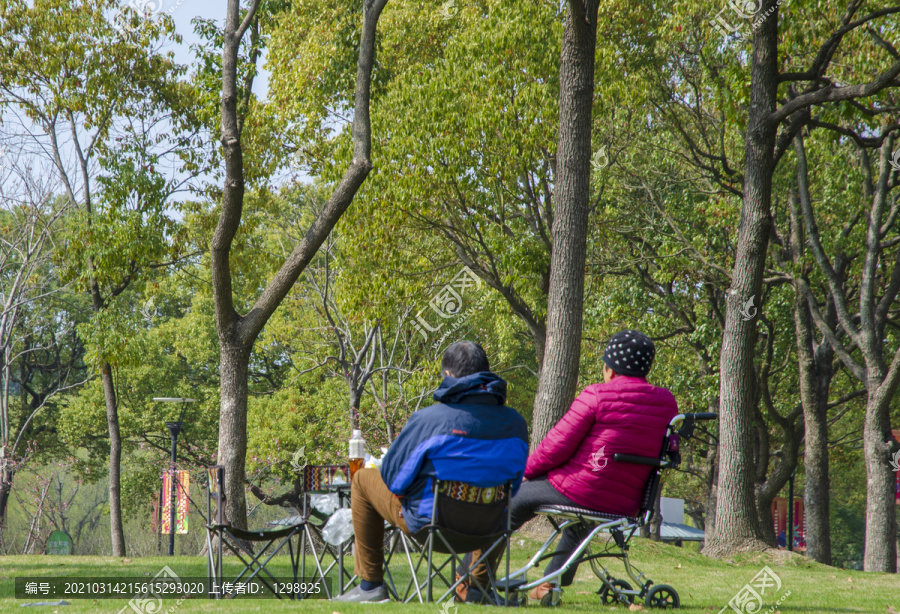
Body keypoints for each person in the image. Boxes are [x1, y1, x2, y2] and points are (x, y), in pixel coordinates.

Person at [462, 329, 678, 602]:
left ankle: (470, 583)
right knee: (579, 523)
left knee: (507, 501)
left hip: (582, 489)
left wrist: (524, 474)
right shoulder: (667, 403)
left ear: (609, 369)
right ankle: (549, 585)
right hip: (627, 502)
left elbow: (555, 446)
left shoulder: (596, 396)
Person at [333, 340, 529, 603]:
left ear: (448, 375)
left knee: (362, 480)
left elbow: (393, 479)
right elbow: (513, 488)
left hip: (431, 525)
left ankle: (370, 586)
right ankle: (478, 588)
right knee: (496, 502)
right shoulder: (516, 424)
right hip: (489, 529)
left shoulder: (430, 420)